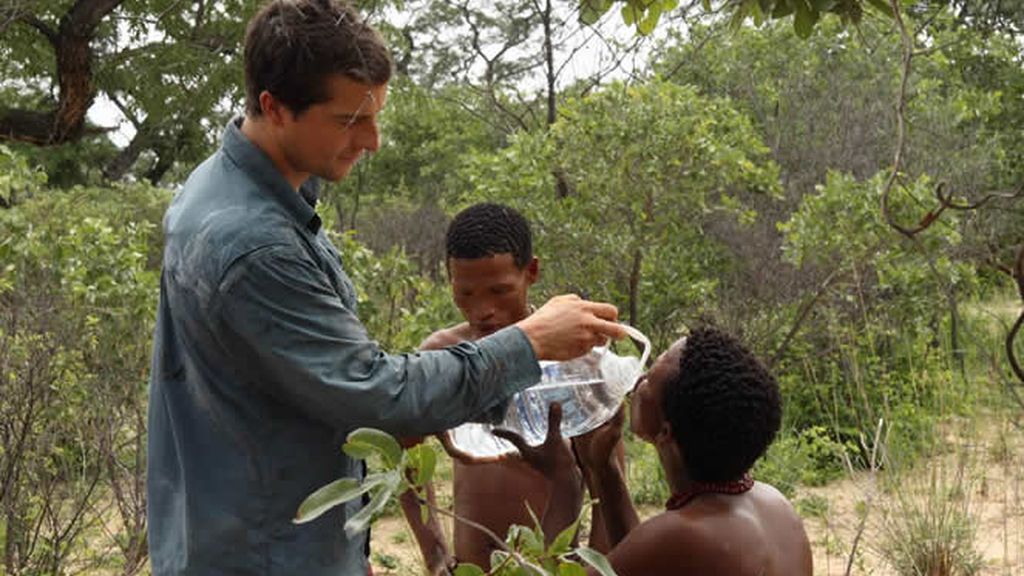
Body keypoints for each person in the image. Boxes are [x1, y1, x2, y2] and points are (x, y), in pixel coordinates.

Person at [144, 2, 624, 575]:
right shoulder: (255, 245)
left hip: (250, 531)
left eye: (375, 116)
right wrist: (530, 342)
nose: (371, 140)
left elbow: (300, 387)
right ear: (274, 107)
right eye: (349, 121)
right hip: (264, 552)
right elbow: (378, 397)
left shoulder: (216, 188)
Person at [397, 203, 621, 574]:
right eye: (466, 293)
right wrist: (435, 554)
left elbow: (606, 481)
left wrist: (597, 568)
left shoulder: (577, 360)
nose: (483, 310)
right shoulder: (441, 357)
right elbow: (403, 461)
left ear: (531, 271)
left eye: (499, 290)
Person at [496, 327, 813, 575]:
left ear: (665, 432)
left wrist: (565, 482)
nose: (638, 380)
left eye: (650, 378)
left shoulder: (684, 535)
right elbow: (642, 563)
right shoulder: (774, 505)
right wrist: (604, 470)